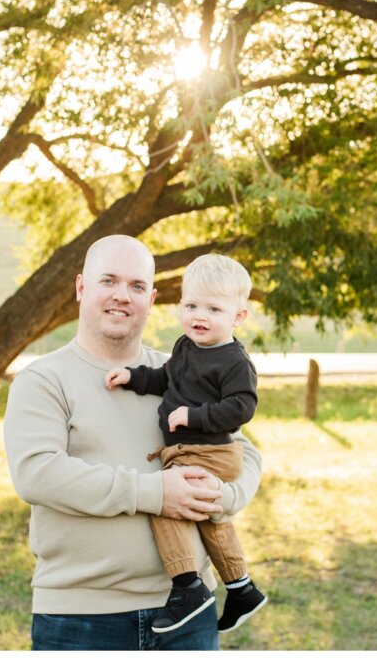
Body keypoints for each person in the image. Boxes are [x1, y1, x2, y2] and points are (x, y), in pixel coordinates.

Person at [3, 235, 263, 651]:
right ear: (81, 288)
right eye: (108, 281)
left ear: (153, 298)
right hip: (80, 618)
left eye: (137, 286)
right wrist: (155, 493)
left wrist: (222, 496)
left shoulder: (179, 368)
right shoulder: (43, 379)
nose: (122, 296)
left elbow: (244, 452)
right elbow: (37, 474)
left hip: (187, 618)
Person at [105, 254, 268, 635]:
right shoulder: (186, 346)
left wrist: (194, 418)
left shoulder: (233, 360)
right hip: (192, 451)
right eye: (192, 305)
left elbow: (242, 407)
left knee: (167, 503)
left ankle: (187, 586)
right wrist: (133, 377)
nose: (200, 315)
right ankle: (241, 587)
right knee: (208, 515)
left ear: (238, 317)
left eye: (214, 308)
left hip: (211, 451)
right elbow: (166, 379)